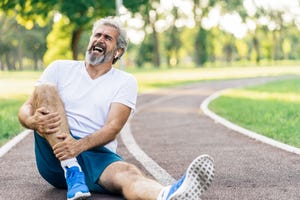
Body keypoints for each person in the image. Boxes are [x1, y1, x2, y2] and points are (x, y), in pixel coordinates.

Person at [18, 16, 215, 200]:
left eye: (107, 38)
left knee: (128, 173)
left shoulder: (125, 81)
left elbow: (112, 128)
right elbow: (26, 108)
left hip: (95, 152)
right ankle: (72, 169)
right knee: (44, 88)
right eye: (97, 35)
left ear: (118, 51)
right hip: (54, 152)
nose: (100, 39)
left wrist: (78, 146)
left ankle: (167, 194)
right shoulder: (60, 68)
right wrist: (32, 121)